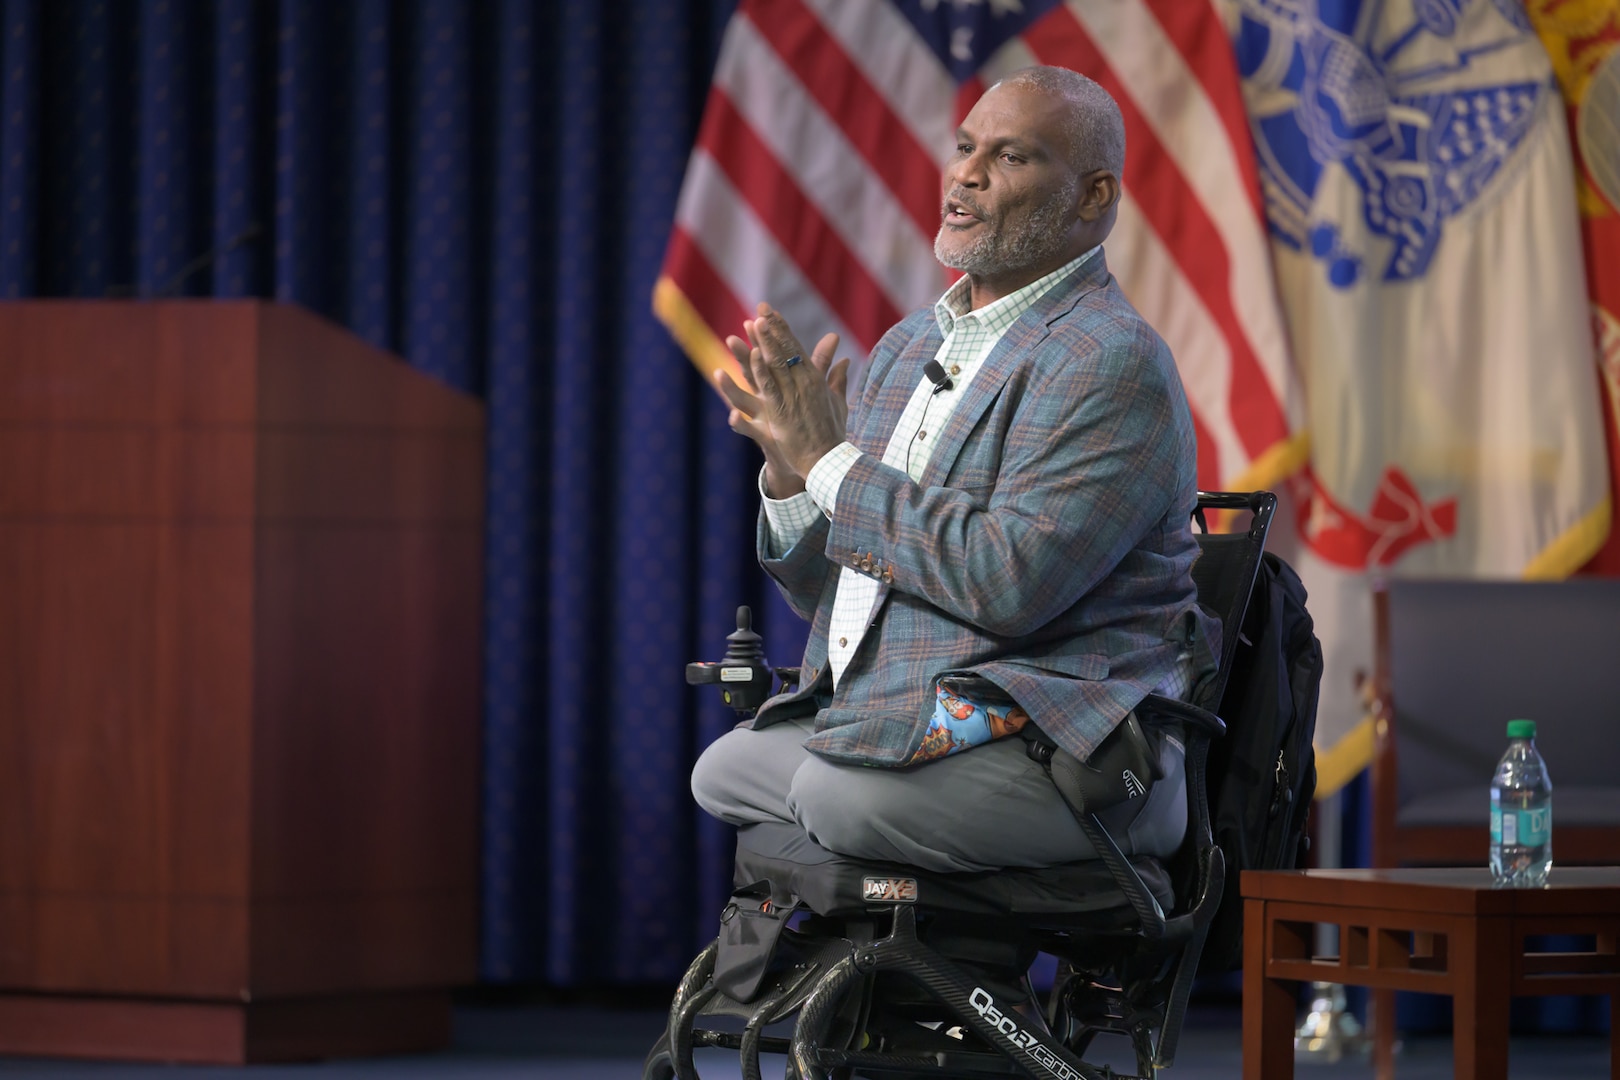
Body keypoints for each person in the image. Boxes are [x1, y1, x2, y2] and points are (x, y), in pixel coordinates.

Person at [690, 66, 1218, 874]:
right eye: (967, 147)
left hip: (1071, 748)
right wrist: (796, 480)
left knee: (833, 798)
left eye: (1011, 158)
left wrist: (833, 461)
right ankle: (898, 976)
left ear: (1091, 196)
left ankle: (914, 970)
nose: (966, 174)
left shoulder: (1110, 362)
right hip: (909, 709)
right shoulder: (909, 348)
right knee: (723, 769)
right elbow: (844, 600)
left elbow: (1006, 584)